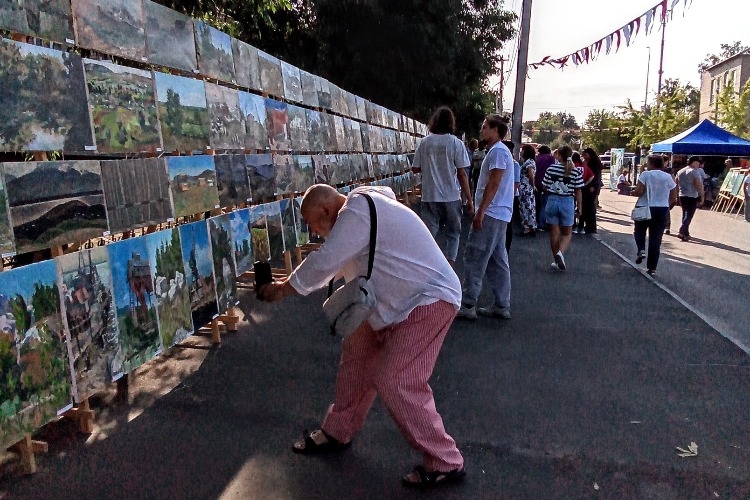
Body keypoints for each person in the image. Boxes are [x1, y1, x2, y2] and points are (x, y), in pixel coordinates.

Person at [259, 184, 465, 489]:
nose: (314, 232)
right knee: (356, 353)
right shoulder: (364, 208)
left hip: (429, 299)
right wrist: (290, 280)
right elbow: (332, 262)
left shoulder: (355, 210)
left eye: (313, 223)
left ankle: (446, 461)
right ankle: (338, 429)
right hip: (394, 302)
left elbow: (326, 260)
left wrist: (281, 290)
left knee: (396, 380)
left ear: (327, 210)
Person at [457, 114, 514, 320]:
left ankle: (468, 303)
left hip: (491, 212)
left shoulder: (498, 151)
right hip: (500, 214)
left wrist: (481, 210)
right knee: (497, 260)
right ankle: (501, 304)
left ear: (495, 130)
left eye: (485, 127)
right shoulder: (501, 151)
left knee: (475, 256)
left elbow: (494, 183)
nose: (482, 130)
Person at [411, 106, 473, 266]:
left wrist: (430, 165)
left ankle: (429, 266)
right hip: (451, 196)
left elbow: (415, 168)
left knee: (428, 236)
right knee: (453, 233)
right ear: (451, 123)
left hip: (430, 196)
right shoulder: (455, 143)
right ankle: (449, 266)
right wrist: (469, 200)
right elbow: (462, 174)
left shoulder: (424, 143)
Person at [631, 155, 677, 276]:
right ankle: (652, 268)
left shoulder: (646, 174)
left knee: (639, 231)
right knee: (656, 239)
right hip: (661, 209)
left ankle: (641, 249)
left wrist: (632, 192)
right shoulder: (668, 177)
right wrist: (668, 206)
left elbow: (639, 191)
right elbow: (673, 196)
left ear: (651, 164)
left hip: (645, 206)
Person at [542, 145, 583, 271]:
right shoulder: (575, 171)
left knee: (554, 233)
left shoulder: (551, 169)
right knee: (567, 233)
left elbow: (544, 186)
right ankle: (561, 253)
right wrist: (580, 207)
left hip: (552, 200)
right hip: (567, 202)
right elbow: (578, 190)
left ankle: (556, 259)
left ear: (559, 155)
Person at [675, 156, 705, 242]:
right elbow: (699, 185)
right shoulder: (694, 172)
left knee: (685, 213)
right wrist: (702, 196)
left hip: (682, 195)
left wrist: (677, 195)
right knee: (689, 214)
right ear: (694, 162)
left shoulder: (680, 171)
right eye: (698, 162)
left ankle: (686, 233)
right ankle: (682, 230)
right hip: (692, 195)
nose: (699, 164)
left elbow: (676, 183)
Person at [502, 140, 521, 253]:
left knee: (508, 224)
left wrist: (510, 197)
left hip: (510, 197)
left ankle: (506, 248)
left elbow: (516, 183)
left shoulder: (514, 164)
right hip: (503, 196)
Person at [581, 148, 603, 233]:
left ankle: (591, 226)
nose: (584, 157)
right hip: (587, 185)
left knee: (590, 206)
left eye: (585, 155)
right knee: (586, 206)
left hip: (592, 186)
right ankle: (588, 225)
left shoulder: (595, 163)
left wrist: (593, 185)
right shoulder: (588, 162)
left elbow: (596, 175)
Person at [534, 145, 555, 231]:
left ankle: (535, 221)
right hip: (546, 183)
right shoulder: (550, 158)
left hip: (536, 183)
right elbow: (552, 170)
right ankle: (542, 224)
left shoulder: (537, 158)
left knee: (536, 203)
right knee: (544, 204)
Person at [518, 145, 537, 235]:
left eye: (522, 150)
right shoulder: (529, 161)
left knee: (525, 207)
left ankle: (527, 227)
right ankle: (531, 225)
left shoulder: (529, 162)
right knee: (529, 206)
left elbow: (531, 175)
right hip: (526, 187)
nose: (521, 152)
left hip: (525, 187)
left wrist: (533, 185)